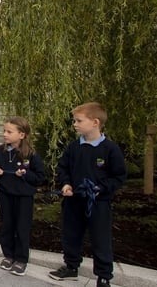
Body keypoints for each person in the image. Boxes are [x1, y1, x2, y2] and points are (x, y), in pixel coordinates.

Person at [48, 102, 126, 287]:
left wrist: (100, 188)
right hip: (73, 201)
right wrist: (66, 183)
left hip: (98, 203)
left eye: (79, 121)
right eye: (74, 120)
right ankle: (71, 266)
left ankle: (104, 276)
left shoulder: (110, 149)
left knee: (100, 238)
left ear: (95, 122)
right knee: (71, 234)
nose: (74, 124)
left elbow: (118, 176)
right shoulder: (74, 147)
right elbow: (63, 168)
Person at [0, 117, 46, 276]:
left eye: (9, 132)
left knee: (22, 227)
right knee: (7, 225)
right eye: (4, 131)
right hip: (4, 194)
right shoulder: (0, 152)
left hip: (23, 197)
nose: (5, 134)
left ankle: (21, 258)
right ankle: (8, 255)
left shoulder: (31, 154)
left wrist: (26, 174)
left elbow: (40, 177)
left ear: (21, 135)